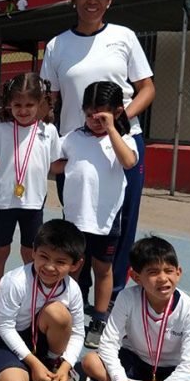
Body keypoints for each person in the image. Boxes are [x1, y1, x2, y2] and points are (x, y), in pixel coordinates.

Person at [40, 0, 155, 304]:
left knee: (117, 225)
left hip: (120, 145)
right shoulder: (57, 45)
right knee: (76, 222)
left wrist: (120, 121)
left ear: (109, 0)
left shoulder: (124, 36)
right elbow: (50, 97)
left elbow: (146, 88)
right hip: (74, 148)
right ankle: (77, 296)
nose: (93, 0)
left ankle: (113, 298)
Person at [82, 236, 190, 381]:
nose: (163, 278)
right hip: (136, 359)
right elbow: (107, 344)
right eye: (153, 272)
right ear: (136, 277)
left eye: (169, 271)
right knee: (90, 361)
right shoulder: (126, 298)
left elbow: (188, 368)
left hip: (171, 369)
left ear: (179, 272)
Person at [0, 73, 62, 331]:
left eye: (29, 105)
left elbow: (57, 163)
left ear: (40, 104)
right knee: (0, 251)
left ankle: (30, 299)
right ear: (9, 105)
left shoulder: (49, 132)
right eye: (17, 105)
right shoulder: (1, 130)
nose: (23, 111)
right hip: (4, 201)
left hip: (33, 202)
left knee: (31, 253)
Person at [54, 81, 138, 348]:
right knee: (74, 269)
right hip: (75, 219)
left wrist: (112, 128)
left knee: (103, 269)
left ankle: (99, 319)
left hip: (105, 220)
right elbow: (54, 163)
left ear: (117, 112)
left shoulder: (121, 140)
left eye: (102, 115)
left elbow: (129, 162)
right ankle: (72, 315)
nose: (94, 120)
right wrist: (65, 165)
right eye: (89, 114)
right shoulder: (72, 138)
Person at [0, 219, 85, 381]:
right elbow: (5, 327)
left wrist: (66, 365)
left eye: (60, 261)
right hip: (9, 336)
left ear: (75, 265)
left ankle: (53, 361)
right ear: (33, 251)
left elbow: (78, 332)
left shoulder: (72, 288)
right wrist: (33, 363)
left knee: (59, 314)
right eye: (44, 257)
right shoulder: (15, 281)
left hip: (43, 337)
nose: (49, 267)